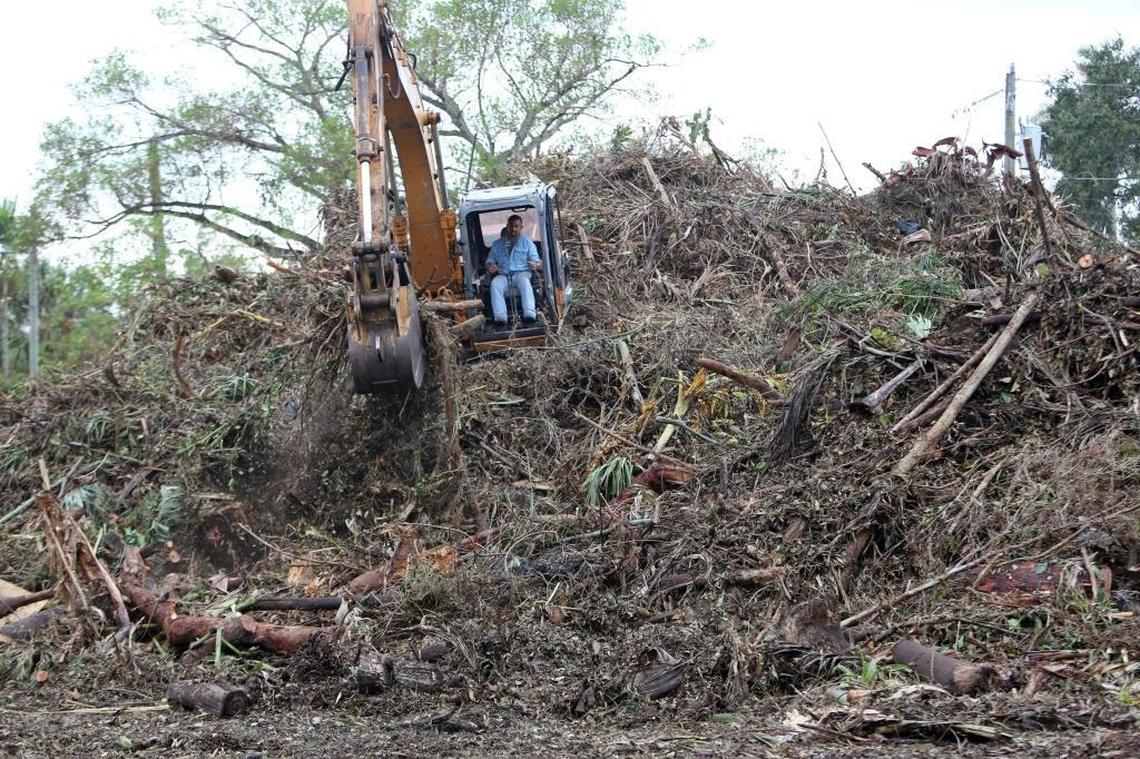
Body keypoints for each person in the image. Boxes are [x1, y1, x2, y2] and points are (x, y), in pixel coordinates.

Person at [485, 214, 541, 326]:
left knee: (524, 281)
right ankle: (500, 318)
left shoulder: (528, 243)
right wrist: (490, 266)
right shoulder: (497, 244)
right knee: (495, 283)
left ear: (521, 227)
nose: (514, 229)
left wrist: (535, 264)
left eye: (516, 226)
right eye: (511, 226)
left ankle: (530, 315)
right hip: (503, 275)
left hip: (522, 273)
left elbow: (537, 261)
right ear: (507, 226)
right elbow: (489, 261)